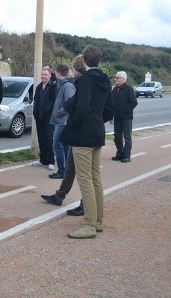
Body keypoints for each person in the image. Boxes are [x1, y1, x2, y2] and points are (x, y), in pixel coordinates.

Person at [61, 45, 114, 239]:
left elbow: (81, 108)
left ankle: (90, 224)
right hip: (97, 133)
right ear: (98, 60)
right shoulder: (105, 80)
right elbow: (110, 109)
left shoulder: (85, 81)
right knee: (95, 177)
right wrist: (97, 121)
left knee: (85, 180)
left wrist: (73, 126)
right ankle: (98, 221)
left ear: (84, 60)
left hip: (83, 135)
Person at [41, 55, 85, 216]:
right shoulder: (73, 84)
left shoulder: (72, 86)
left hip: (73, 128)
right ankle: (60, 195)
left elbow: (70, 104)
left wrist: (60, 113)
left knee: (84, 173)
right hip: (73, 128)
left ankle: (85, 204)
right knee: (71, 164)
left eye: (73, 69)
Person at [49, 64, 75, 179]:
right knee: (63, 146)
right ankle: (65, 170)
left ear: (59, 72)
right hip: (61, 120)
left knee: (57, 145)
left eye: (55, 71)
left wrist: (59, 112)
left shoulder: (68, 85)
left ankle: (62, 171)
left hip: (63, 120)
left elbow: (69, 102)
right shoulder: (63, 84)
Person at [32, 65, 57, 170]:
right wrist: (35, 113)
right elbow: (36, 101)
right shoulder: (38, 87)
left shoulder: (53, 87)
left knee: (48, 139)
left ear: (50, 75)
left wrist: (48, 113)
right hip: (39, 118)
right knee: (41, 139)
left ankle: (51, 161)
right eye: (42, 74)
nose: (43, 76)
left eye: (45, 75)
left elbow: (53, 103)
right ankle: (43, 160)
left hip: (49, 118)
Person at [110, 71, 138, 163]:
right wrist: (110, 116)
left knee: (127, 137)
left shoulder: (129, 89)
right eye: (115, 77)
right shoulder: (114, 90)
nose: (116, 79)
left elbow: (134, 102)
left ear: (123, 79)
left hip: (126, 118)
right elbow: (111, 104)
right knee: (117, 137)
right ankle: (120, 152)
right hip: (117, 117)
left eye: (117, 77)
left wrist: (126, 110)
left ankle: (126, 155)